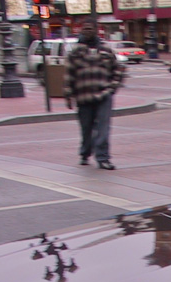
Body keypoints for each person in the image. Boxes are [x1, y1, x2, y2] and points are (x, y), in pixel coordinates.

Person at [63, 19, 124, 170]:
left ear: (96, 30)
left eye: (90, 28)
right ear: (81, 30)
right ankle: (85, 152)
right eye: (85, 28)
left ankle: (103, 158)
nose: (88, 31)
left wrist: (112, 87)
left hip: (103, 95)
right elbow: (69, 74)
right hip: (83, 96)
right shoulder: (75, 52)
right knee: (86, 128)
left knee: (103, 128)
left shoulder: (106, 50)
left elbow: (117, 69)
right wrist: (68, 94)